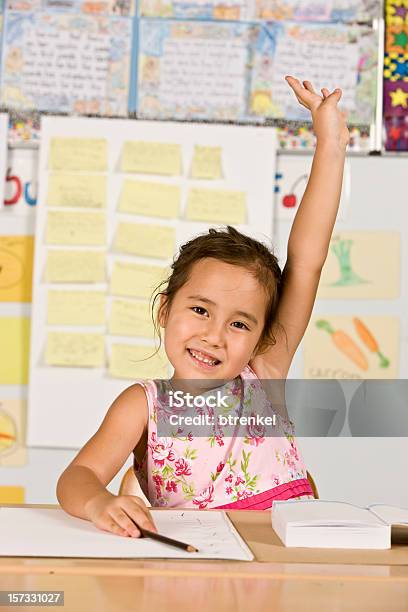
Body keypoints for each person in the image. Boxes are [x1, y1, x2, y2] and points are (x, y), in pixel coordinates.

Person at [57, 76, 350, 538]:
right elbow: (76, 479)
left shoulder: (264, 373)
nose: (214, 334)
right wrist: (99, 502)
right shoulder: (143, 406)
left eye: (239, 323)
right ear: (164, 310)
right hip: (200, 565)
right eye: (200, 310)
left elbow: (308, 258)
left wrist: (330, 142)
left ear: (262, 336)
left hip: (289, 557)